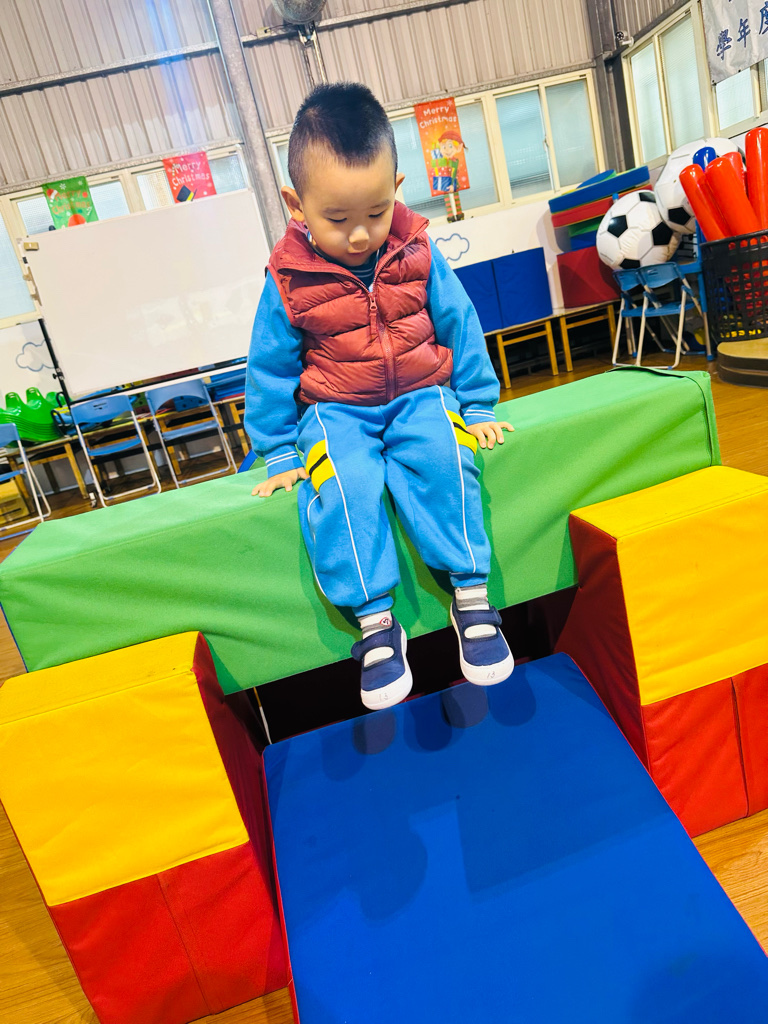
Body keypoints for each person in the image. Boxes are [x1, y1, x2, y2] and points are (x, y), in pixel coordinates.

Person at [245, 82, 514, 711]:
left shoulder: (417, 249)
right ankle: (375, 624)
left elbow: (459, 321)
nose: (361, 235)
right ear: (296, 205)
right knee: (347, 485)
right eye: (337, 220)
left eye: (375, 212)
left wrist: (478, 404)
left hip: (420, 393)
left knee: (448, 459)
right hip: (336, 409)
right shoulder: (288, 279)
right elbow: (269, 368)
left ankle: (472, 597)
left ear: (396, 186)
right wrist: (278, 452)